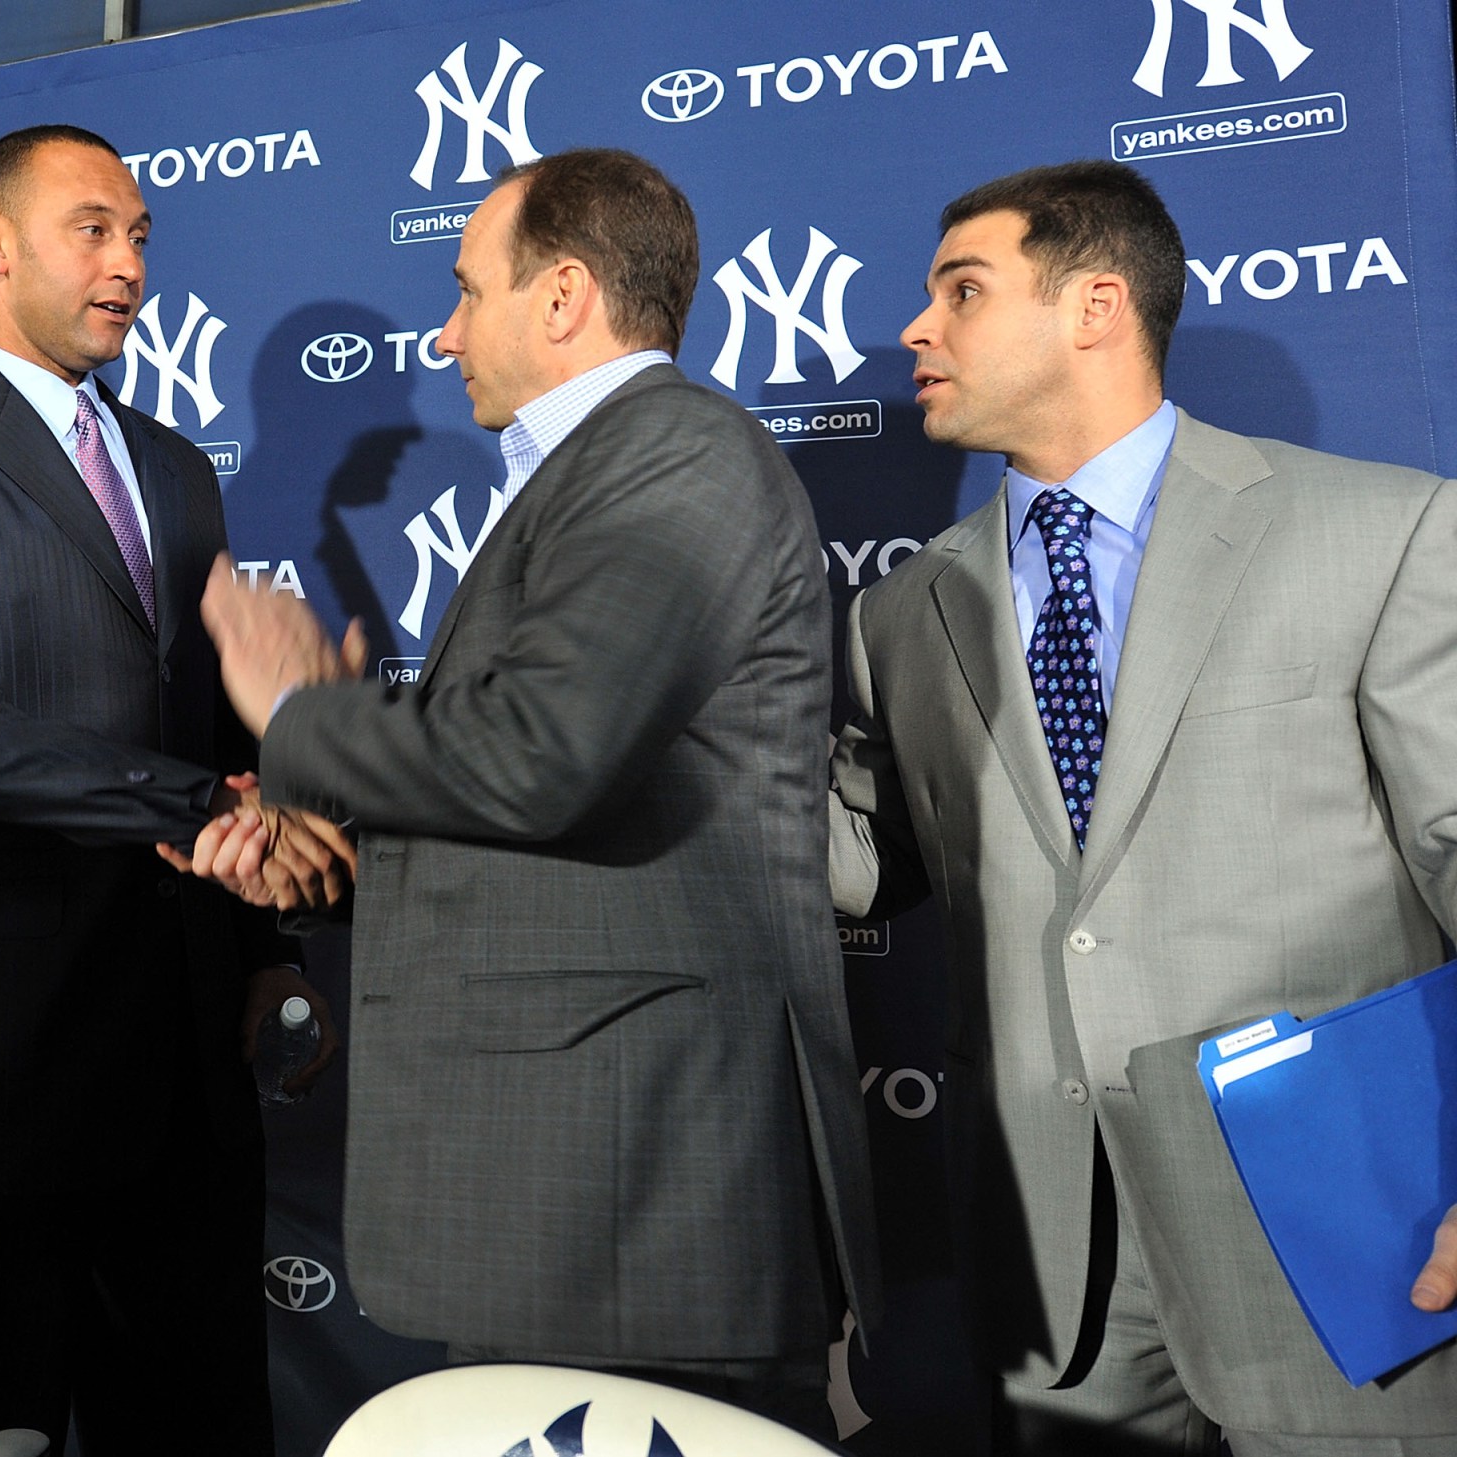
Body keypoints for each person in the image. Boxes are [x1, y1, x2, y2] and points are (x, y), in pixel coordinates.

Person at [186, 147, 877, 1438]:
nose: (443, 335)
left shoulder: (677, 456)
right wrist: (330, 852)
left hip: (634, 1191)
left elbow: (539, 757)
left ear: (561, 295)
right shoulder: (593, 473)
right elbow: (562, 789)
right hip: (562, 1184)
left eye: (465, 291)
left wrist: (296, 711)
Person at [828, 159, 1457, 1454]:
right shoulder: (902, 612)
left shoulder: (1381, 534)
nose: (916, 331)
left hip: (1347, 1236)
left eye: (962, 290)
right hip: (1053, 1275)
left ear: (1096, 305)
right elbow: (856, 866)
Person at [0, 123, 334, 1454]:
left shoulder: (175, 468)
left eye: (141, 234)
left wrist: (260, 944)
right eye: (93, 228)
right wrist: (193, 811)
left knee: (199, 1409)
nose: (129, 262)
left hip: (186, 1037)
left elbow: (206, 715)